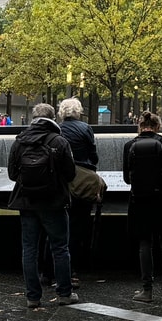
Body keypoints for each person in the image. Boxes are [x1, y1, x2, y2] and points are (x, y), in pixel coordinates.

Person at [7, 104, 77, 308]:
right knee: (60, 247)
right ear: (53, 118)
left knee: (29, 248)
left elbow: (12, 174)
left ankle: (33, 297)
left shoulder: (20, 141)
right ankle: (64, 293)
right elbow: (71, 174)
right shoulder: (59, 141)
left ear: (33, 118)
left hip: (27, 202)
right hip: (54, 203)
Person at [123, 111, 162, 300]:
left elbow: (126, 179)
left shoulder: (129, 145)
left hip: (139, 201)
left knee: (144, 244)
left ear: (140, 126)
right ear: (158, 126)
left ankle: (146, 291)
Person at [55, 97, 103, 272]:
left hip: (61, 183)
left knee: (58, 225)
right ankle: (74, 268)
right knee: (78, 226)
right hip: (82, 182)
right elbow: (93, 155)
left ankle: (51, 270)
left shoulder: (57, 129)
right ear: (78, 111)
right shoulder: (85, 128)